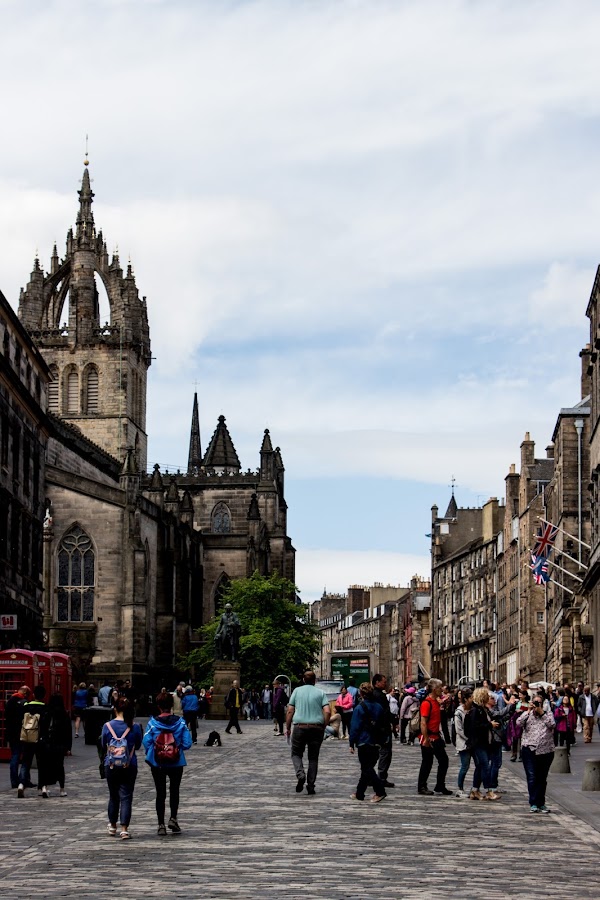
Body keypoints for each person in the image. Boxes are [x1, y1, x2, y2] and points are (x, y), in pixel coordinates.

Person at [143, 691, 192, 835]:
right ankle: (173, 818)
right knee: (174, 791)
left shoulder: (152, 723)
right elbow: (188, 743)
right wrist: (177, 748)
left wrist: (155, 750)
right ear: (171, 706)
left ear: (158, 706)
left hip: (157, 762)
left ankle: (161, 825)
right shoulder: (180, 722)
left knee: (160, 793)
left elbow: (146, 742)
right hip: (176, 762)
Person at [101, 698, 142, 839]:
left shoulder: (107, 726)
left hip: (111, 764)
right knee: (126, 796)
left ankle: (112, 825)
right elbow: (137, 745)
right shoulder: (135, 726)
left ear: (115, 709)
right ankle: (124, 829)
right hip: (129, 764)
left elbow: (103, 744)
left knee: (113, 796)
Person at [285, 670, 331, 795]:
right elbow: (327, 711)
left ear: (303, 680)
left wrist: (288, 727)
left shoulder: (297, 691)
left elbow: (290, 711)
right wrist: (324, 725)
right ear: (315, 681)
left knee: (296, 754)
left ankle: (300, 774)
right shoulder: (321, 693)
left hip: (300, 727)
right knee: (313, 758)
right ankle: (311, 785)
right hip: (316, 728)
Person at [348, 682, 387, 802]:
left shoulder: (359, 708)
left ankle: (380, 791)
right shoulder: (379, 707)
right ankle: (359, 793)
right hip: (376, 741)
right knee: (367, 768)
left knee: (367, 768)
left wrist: (351, 742)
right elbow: (383, 724)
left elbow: (354, 727)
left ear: (361, 694)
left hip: (364, 741)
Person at [517, 693, 555, 813]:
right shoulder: (528, 715)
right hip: (529, 749)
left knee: (542, 778)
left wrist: (541, 712)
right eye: (535, 702)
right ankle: (533, 803)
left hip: (546, 750)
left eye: (539, 702)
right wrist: (528, 710)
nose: (536, 705)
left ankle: (541, 803)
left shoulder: (547, 714)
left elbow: (552, 724)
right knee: (532, 777)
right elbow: (518, 723)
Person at [417, 678, 452, 796]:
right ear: (434, 689)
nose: (442, 689)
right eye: (440, 687)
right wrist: (426, 739)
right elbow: (423, 722)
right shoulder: (426, 703)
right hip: (429, 737)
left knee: (443, 761)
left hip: (436, 736)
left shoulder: (436, 701)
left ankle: (440, 785)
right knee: (427, 762)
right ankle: (422, 786)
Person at [464, 687, 500, 801]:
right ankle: (489, 791)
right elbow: (475, 727)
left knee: (480, 766)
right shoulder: (476, 710)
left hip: (484, 742)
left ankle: (475, 790)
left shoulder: (482, 709)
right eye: (487, 696)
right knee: (485, 766)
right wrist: (490, 725)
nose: (489, 698)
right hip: (478, 743)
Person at [39, 693, 72, 796]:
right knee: (59, 766)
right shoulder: (64, 714)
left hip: (47, 743)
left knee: (45, 766)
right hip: (59, 744)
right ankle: (62, 789)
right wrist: (68, 747)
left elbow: (41, 729)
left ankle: (44, 787)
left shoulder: (46, 712)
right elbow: (68, 732)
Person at [18, 684, 47, 798]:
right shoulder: (45, 707)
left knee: (26, 762)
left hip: (27, 738)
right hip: (40, 739)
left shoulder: (26, 706)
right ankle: (43, 787)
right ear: (44, 696)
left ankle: (21, 784)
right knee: (42, 764)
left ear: (34, 695)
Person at [372, 674, 395, 788]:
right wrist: (392, 721)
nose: (385, 684)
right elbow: (384, 712)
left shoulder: (373, 695)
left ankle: (370, 776)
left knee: (374, 754)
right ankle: (382, 777)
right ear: (377, 682)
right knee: (385, 753)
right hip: (383, 728)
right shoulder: (380, 696)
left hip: (375, 728)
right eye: (383, 682)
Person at [5, 685, 30, 790]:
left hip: (11, 733)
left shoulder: (9, 702)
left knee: (14, 756)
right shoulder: (24, 703)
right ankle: (23, 780)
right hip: (22, 733)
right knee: (24, 758)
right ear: (24, 693)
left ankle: (14, 781)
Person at [454, 687, 473, 799]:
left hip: (473, 742)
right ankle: (460, 789)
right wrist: (468, 739)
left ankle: (476, 789)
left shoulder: (473, 709)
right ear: (466, 699)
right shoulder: (459, 712)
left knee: (479, 765)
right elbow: (459, 729)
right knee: (464, 766)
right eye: (471, 697)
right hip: (464, 743)